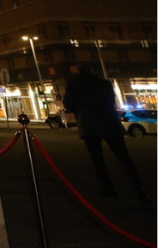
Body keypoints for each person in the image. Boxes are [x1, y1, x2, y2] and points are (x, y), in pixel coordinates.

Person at [63, 64, 149, 204]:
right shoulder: (104, 83)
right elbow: (111, 101)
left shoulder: (74, 84)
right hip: (109, 121)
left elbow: (69, 104)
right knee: (124, 157)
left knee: (97, 159)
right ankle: (140, 189)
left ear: (78, 72)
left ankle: (109, 188)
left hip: (89, 124)